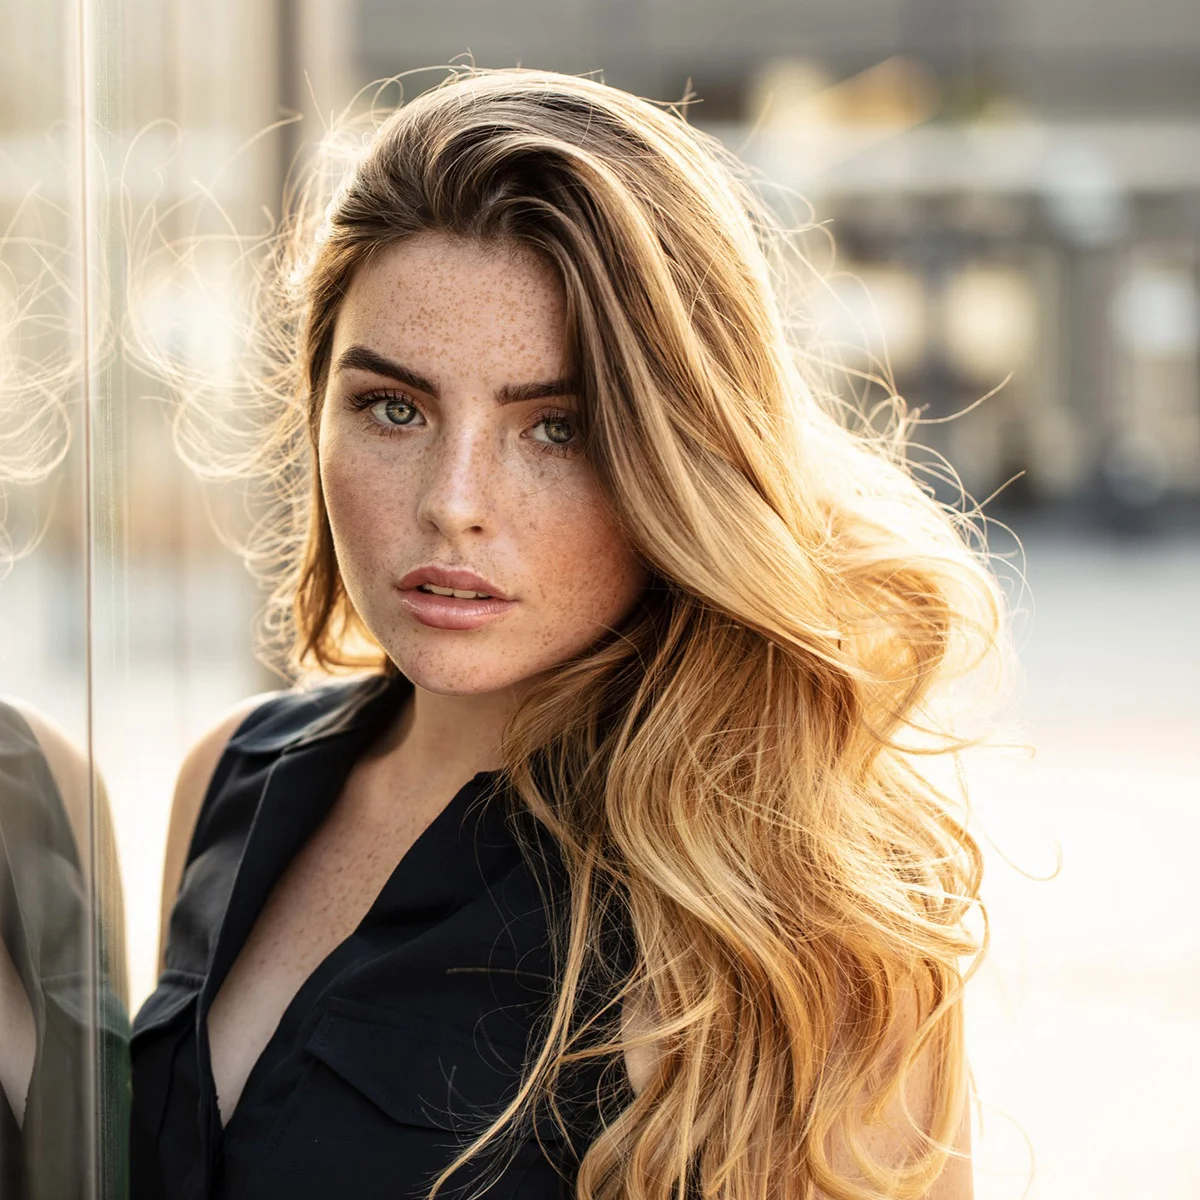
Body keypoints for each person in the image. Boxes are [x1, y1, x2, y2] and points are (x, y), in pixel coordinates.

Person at [130, 65, 1011, 1200]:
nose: (454, 500)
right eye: (392, 408)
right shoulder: (231, 780)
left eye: (556, 427)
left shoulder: (785, 908)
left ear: (677, 456)